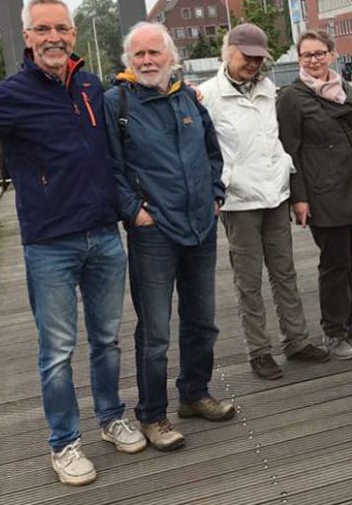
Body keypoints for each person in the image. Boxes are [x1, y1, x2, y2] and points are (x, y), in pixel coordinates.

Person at [0, 0, 145, 486]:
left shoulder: (87, 84)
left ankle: (111, 417)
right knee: (56, 349)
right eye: (42, 29)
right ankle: (65, 443)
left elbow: (128, 125)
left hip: (102, 233)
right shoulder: (10, 95)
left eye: (61, 28)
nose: (53, 37)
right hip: (49, 243)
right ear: (28, 38)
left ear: (74, 34)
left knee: (106, 340)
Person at [104, 22, 234, 453]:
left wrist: (216, 195)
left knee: (203, 321)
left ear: (170, 57)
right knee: (155, 332)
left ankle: (194, 394)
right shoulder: (116, 102)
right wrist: (134, 212)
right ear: (128, 61)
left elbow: (212, 153)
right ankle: (152, 414)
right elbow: (111, 167)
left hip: (201, 224)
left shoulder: (188, 99)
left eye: (153, 54)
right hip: (154, 232)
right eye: (138, 55)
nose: (146, 61)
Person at [199, 24, 330, 380]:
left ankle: (296, 339)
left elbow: (279, 141)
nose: (253, 64)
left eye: (259, 58)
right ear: (229, 52)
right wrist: (218, 186)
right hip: (239, 200)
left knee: (285, 271)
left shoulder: (270, 90)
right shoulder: (207, 96)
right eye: (247, 56)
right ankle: (258, 350)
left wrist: (290, 184)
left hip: (274, 193)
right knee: (248, 279)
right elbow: (202, 149)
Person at [276, 29, 352, 361]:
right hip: (323, 192)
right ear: (299, 59)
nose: (314, 60)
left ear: (332, 55)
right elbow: (288, 151)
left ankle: (350, 318)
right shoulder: (292, 97)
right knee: (334, 262)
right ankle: (333, 330)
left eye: (320, 53)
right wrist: (299, 198)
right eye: (307, 55)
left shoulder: (343, 87)